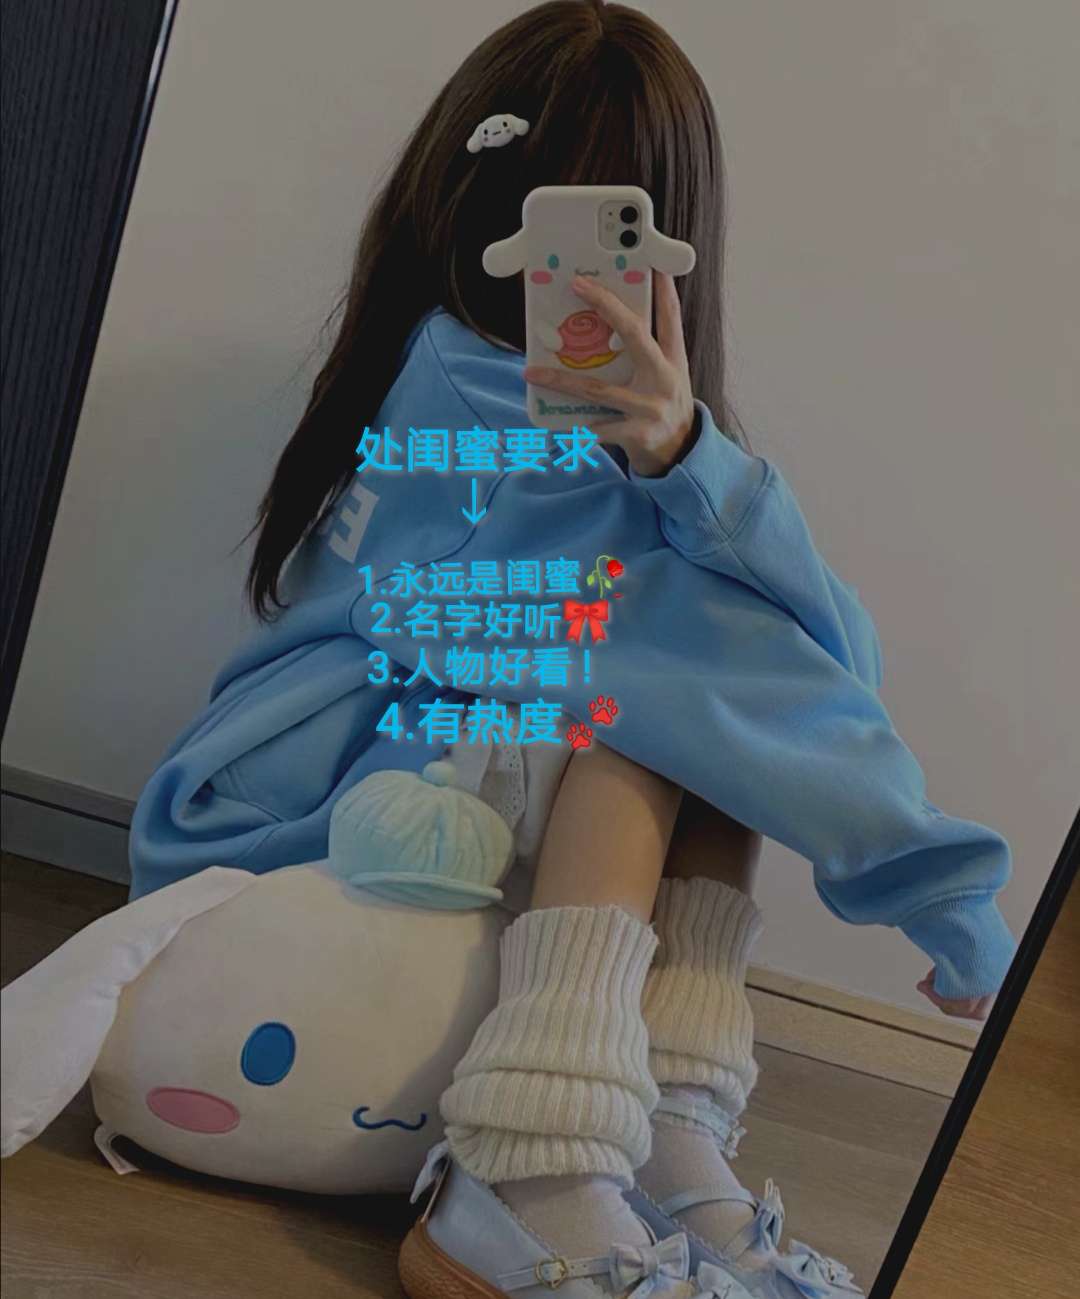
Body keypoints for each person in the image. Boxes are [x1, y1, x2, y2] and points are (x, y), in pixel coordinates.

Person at [128, 3, 1014, 1295]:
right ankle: (528, 1169)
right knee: (655, 712)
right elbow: (765, 667)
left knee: (689, 700)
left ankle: (671, 1131)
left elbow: (821, 648)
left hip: (417, 754)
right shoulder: (471, 387)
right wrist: (942, 895)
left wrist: (685, 453)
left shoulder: (600, 432)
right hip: (302, 806)